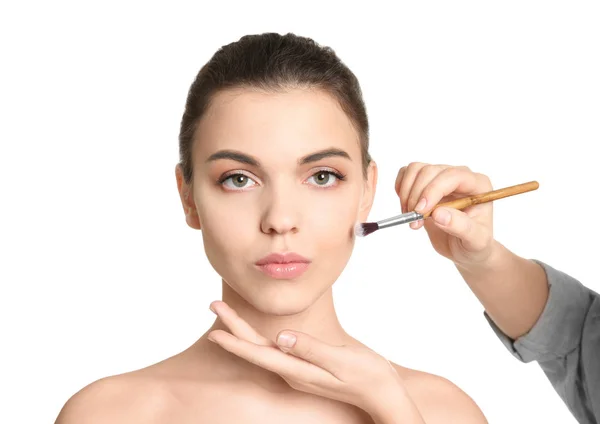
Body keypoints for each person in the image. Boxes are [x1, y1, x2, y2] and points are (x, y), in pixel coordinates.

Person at [54, 33, 488, 423]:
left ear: (365, 191)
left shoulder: (440, 412)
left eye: (322, 176)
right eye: (238, 179)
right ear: (189, 197)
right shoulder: (109, 414)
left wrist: (392, 408)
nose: (280, 220)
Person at [395, 162, 599, 423]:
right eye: (321, 177)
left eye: (326, 176)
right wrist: (482, 259)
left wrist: (388, 404)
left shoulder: (446, 410)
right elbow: (578, 334)